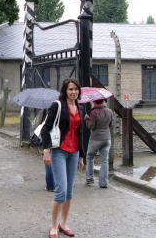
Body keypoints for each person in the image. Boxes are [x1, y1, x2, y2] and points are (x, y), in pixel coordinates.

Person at [41, 78, 86, 238]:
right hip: (59, 151)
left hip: (74, 153)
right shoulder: (57, 106)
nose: (73, 92)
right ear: (65, 91)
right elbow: (45, 129)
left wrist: (81, 155)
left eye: (76, 89)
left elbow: (81, 133)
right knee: (61, 190)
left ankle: (64, 224)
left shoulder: (81, 108)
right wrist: (46, 151)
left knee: (69, 192)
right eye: (70, 89)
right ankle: (53, 226)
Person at [85, 99, 113, 188]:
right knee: (104, 161)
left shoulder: (93, 112)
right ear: (103, 101)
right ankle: (104, 183)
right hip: (107, 138)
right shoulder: (109, 111)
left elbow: (91, 126)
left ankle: (89, 179)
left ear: (94, 102)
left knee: (90, 158)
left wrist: (87, 119)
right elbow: (110, 125)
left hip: (96, 139)